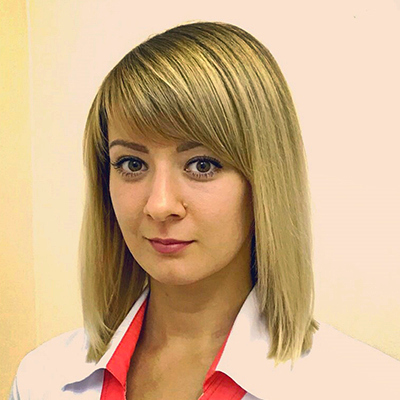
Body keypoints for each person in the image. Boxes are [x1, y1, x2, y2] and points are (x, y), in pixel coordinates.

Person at [9, 20, 400, 400]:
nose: (160, 205)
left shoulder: (367, 388)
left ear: (265, 181)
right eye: (132, 163)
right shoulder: (42, 380)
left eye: (202, 164)